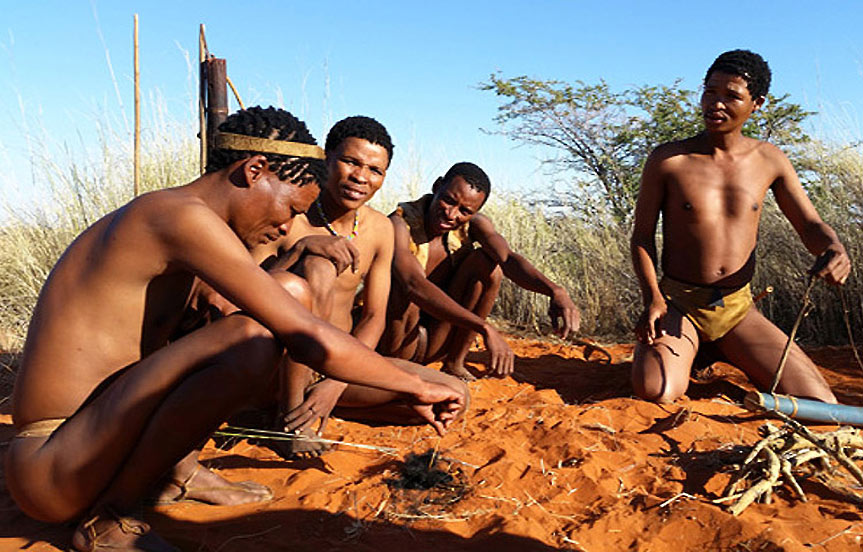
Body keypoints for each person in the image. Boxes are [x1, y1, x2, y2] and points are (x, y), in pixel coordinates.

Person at [5, 106, 465, 552]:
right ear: (254, 170)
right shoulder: (177, 217)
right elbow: (305, 334)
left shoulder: (181, 221)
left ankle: (175, 472)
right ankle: (111, 519)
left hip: (93, 448)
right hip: (54, 465)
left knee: (270, 307)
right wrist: (412, 384)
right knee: (255, 335)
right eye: (288, 208)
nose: (286, 224)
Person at [630, 50, 851, 404]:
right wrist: (653, 298)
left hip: (736, 308)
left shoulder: (769, 159)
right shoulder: (669, 159)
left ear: (757, 103)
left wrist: (835, 248)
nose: (715, 103)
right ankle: (693, 349)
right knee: (656, 391)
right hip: (680, 304)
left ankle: (722, 348)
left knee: (819, 403)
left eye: (731, 95)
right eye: (709, 92)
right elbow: (641, 238)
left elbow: (810, 225)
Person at [250, 116, 468, 457]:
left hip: (338, 365)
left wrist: (334, 385)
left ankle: (312, 404)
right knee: (319, 267)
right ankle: (288, 420)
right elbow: (244, 291)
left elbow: (373, 318)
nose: (361, 178)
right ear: (327, 158)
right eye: (351, 162)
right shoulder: (290, 213)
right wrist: (298, 250)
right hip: (279, 362)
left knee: (452, 393)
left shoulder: (379, 228)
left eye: (374, 170)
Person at [378, 161, 581, 381]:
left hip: (437, 337)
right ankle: (394, 373)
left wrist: (555, 291)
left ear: (475, 212)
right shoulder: (400, 223)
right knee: (405, 290)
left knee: (488, 265)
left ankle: (454, 362)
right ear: (437, 186)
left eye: (465, 211)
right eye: (448, 200)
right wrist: (484, 327)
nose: (451, 214)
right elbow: (412, 284)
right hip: (394, 339)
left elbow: (508, 258)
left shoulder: (473, 226)